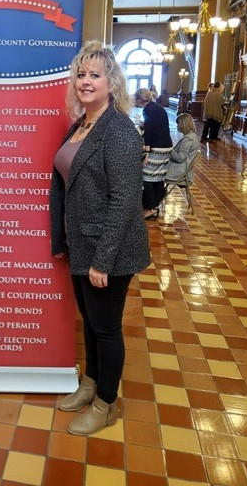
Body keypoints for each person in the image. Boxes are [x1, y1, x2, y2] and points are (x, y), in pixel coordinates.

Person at [50, 40, 150, 436]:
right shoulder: (81, 125)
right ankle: (90, 385)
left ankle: (106, 404)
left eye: (95, 75)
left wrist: (102, 260)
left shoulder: (119, 129)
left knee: (106, 328)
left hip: (109, 250)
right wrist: (63, 239)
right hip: (81, 243)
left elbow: (124, 200)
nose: (86, 81)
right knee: (90, 322)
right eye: (81, 74)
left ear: (112, 83)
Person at [134, 87, 172, 219]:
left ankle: (151, 208)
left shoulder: (147, 110)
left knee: (146, 176)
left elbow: (149, 133)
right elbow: (156, 126)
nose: (135, 102)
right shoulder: (157, 107)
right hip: (167, 146)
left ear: (140, 99)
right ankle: (155, 206)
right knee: (159, 177)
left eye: (136, 99)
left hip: (157, 148)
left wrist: (147, 153)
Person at [166, 113, 200, 183]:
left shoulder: (188, 139)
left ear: (183, 124)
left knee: (155, 173)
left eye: (178, 123)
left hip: (178, 171)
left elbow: (180, 158)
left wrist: (169, 149)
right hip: (182, 169)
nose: (177, 125)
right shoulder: (192, 136)